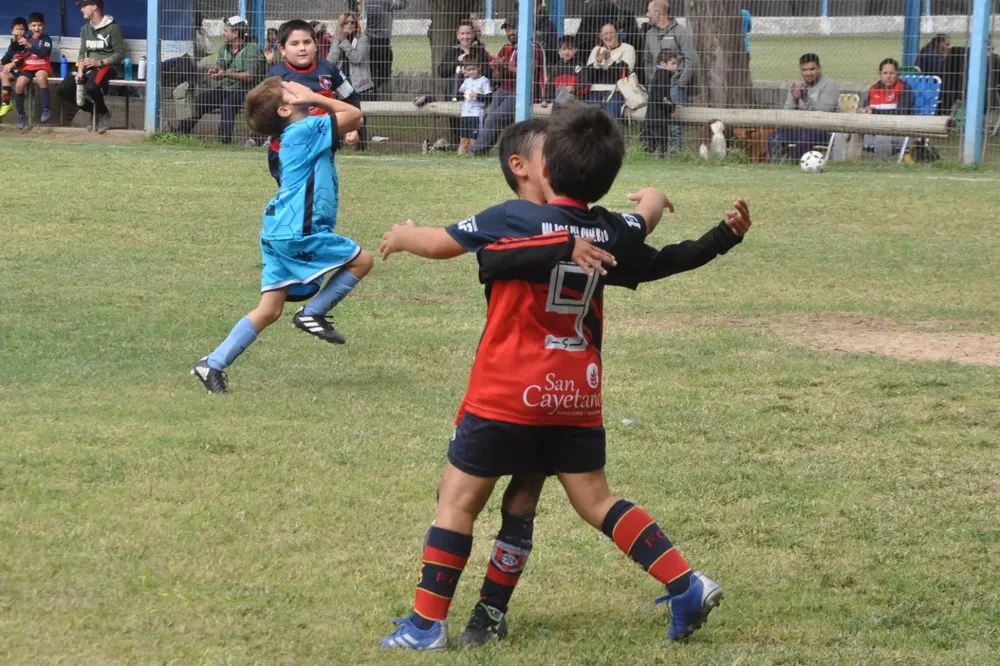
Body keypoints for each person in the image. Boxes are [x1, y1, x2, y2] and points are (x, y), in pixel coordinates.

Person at [376, 103, 726, 651]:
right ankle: (684, 583)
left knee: (457, 499)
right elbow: (645, 225)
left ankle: (425, 624)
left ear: (544, 170)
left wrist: (403, 234)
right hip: (576, 393)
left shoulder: (512, 219)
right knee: (594, 501)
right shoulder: (610, 228)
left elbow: (448, 246)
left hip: (508, 390)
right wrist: (659, 200)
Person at [192, 78, 371, 394]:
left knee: (270, 309)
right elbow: (355, 116)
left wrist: (313, 99)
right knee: (362, 261)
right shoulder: (303, 131)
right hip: (297, 230)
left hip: (278, 229)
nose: (299, 88)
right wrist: (316, 96)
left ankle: (213, 364)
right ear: (286, 108)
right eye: (292, 89)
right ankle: (313, 312)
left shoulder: (298, 132)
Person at [267, 19, 360, 183]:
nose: (302, 48)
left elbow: (350, 96)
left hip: (322, 145)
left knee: (319, 192)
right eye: (294, 43)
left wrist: (352, 128)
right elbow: (266, 109)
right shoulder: (276, 75)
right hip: (287, 149)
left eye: (307, 42)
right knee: (295, 194)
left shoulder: (328, 70)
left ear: (316, 44)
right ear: (282, 49)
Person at [174, 16, 265, 144]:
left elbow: (250, 76)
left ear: (235, 33)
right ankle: (180, 132)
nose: (223, 33)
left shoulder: (251, 49)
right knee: (200, 101)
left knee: (227, 104)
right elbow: (221, 66)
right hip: (226, 88)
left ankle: (223, 141)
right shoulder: (224, 48)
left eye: (226, 30)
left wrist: (226, 74)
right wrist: (215, 71)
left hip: (246, 90)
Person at [470, 15, 547, 156]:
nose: (510, 32)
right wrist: (496, 68)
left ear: (524, 28)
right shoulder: (506, 49)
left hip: (523, 93)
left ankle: (476, 152)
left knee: (495, 118)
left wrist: (503, 66)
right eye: (507, 29)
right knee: (490, 116)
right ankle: (482, 151)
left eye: (514, 28)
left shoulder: (533, 47)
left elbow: (526, 72)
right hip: (504, 89)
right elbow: (497, 78)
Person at [56, 0, 125, 135]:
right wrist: (80, 70)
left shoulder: (113, 28)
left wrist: (98, 63)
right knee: (63, 89)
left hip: (107, 66)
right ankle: (95, 110)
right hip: (88, 66)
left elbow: (119, 54)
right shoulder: (85, 29)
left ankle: (103, 114)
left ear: (94, 6)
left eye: (84, 6)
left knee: (92, 87)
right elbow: (82, 53)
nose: (81, 9)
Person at [643, 1, 697, 150]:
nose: (647, 15)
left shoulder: (680, 32)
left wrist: (680, 82)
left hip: (675, 87)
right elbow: (647, 60)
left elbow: (690, 59)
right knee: (658, 121)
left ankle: (676, 155)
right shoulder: (649, 34)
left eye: (649, 11)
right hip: (656, 87)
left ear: (658, 13)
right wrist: (651, 81)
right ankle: (660, 153)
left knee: (674, 126)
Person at [767, 53, 839, 161]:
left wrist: (805, 98)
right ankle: (775, 163)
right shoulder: (797, 84)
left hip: (822, 130)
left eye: (812, 69)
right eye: (804, 70)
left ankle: (790, 162)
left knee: (806, 138)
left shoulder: (829, 86)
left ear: (819, 68)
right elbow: (787, 112)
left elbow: (824, 112)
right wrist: (795, 99)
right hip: (800, 127)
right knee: (774, 136)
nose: (808, 73)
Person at [329, 12, 375, 150]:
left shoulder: (362, 39)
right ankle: (338, 146)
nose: (349, 25)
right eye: (346, 23)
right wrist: (338, 41)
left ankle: (361, 148)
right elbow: (330, 61)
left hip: (359, 86)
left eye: (352, 22)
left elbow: (357, 58)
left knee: (359, 118)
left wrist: (344, 43)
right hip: (342, 85)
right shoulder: (337, 40)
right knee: (339, 117)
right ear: (341, 26)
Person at [860, 57, 914, 160]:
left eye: (891, 73)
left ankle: (882, 166)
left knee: (881, 137)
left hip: (898, 131)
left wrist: (874, 112)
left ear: (897, 74)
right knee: (846, 134)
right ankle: (847, 164)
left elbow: (901, 113)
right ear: (880, 74)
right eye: (885, 73)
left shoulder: (905, 89)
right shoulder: (874, 89)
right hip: (872, 130)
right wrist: (863, 111)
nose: (888, 76)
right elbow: (866, 108)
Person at [586, 22, 636, 118]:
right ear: (600, 36)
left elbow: (623, 74)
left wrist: (609, 60)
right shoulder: (596, 49)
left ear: (617, 33)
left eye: (611, 33)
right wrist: (597, 63)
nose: (608, 36)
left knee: (610, 117)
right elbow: (588, 75)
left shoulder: (628, 49)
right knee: (591, 117)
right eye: (605, 34)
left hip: (616, 90)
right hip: (595, 90)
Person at [363, 0, 407, 98]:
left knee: (372, 71)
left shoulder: (365, 2)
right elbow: (402, 4)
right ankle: (379, 94)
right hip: (383, 41)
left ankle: (372, 95)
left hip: (368, 41)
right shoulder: (386, 1)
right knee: (385, 73)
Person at [436, 19, 489, 101]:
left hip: (475, 97)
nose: (465, 37)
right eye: (462, 34)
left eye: (468, 33)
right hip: (453, 95)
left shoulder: (480, 51)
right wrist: (457, 61)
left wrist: (471, 68)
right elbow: (441, 72)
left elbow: (487, 73)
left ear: (473, 34)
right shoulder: (452, 52)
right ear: (457, 35)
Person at [645, 49, 679, 157]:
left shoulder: (660, 74)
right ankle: (661, 158)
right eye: (673, 63)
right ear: (663, 63)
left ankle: (651, 159)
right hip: (658, 117)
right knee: (661, 144)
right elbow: (662, 97)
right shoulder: (663, 76)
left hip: (653, 115)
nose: (676, 66)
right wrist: (672, 108)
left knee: (651, 145)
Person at [457, 60, 491, 155]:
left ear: (479, 67)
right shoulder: (466, 81)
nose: (471, 72)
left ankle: (475, 154)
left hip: (476, 113)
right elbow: (459, 96)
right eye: (469, 70)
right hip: (465, 113)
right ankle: (461, 155)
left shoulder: (484, 81)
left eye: (473, 69)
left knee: (474, 138)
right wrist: (460, 91)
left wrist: (477, 95)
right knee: (463, 138)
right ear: (465, 71)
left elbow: (488, 97)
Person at [547, 35, 590, 105]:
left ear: (575, 50)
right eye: (564, 49)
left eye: (570, 49)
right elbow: (549, 85)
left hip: (576, 99)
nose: (567, 52)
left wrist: (574, 88)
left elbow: (586, 84)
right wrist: (546, 100)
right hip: (558, 98)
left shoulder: (579, 65)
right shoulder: (556, 67)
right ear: (560, 50)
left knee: (568, 98)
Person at [1, 17, 29, 124]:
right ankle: (6, 102)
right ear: (12, 31)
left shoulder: (27, 43)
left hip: (25, 70)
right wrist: (1, 63)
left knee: (4, 74)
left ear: (26, 31)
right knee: (2, 74)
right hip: (15, 70)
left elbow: (26, 58)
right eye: (17, 29)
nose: (19, 31)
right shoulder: (12, 43)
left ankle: (7, 103)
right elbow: (7, 57)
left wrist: (12, 64)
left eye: (22, 29)